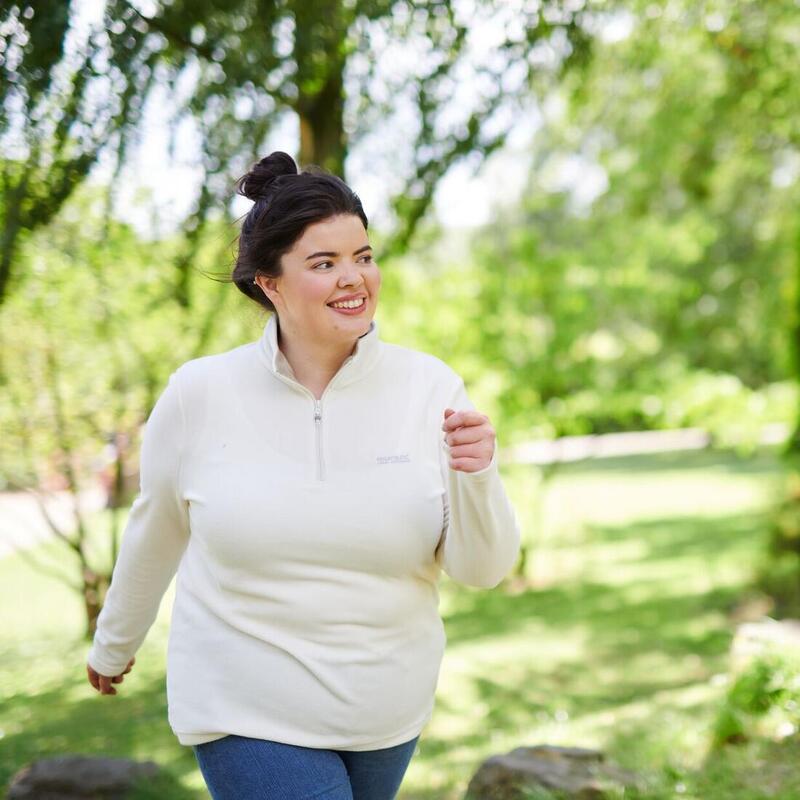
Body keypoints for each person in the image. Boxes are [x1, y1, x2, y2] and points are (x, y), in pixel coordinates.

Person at [86, 151, 521, 800]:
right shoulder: (200, 393)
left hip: (385, 711)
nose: (355, 279)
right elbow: (158, 529)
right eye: (324, 263)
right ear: (270, 284)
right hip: (242, 702)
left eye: (363, 256)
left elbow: (482, 570)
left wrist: (478, 473)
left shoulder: (430, 388)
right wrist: (114, 642)